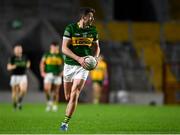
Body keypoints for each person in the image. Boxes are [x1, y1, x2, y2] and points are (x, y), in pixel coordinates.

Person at [60, 7, 100, 131]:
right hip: (70, 65)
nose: (92, 19)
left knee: (75, 92)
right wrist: (78, 58)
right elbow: (64, 48)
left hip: (83, 67)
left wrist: (96, 58)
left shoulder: (93, 30)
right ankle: (67, 116)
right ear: (83, 17)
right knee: (67, 96)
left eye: (93, 17)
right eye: (90, 17)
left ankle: (65, 123)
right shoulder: (70, 28)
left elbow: (97, 47)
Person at [40, 42, 64, 112]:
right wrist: (42, 72)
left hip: (57, 75)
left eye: (56, 47)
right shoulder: (47, 54)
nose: (54, 48)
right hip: (48, 74)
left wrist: (62, 73)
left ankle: (55, 105)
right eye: (53, 47)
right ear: (51, 47)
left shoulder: (60, 56)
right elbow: (42, 63)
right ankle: (49, 102)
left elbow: (65, 65)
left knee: (56, 91)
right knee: (46, 89)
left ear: (58, 48)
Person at [7, 44, 30, 110]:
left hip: (23, 76)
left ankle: (18, 101)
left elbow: (28, 63)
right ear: (14, 50)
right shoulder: (12, 58)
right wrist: (13, 66)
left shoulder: (24, 57)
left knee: (23, 90)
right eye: (17, 49)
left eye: (19, 49)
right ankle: (15, 104)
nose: (18, 50)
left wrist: (27, 65)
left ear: (21, 49)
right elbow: (8, 67)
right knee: (15, 91)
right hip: (14, 76)